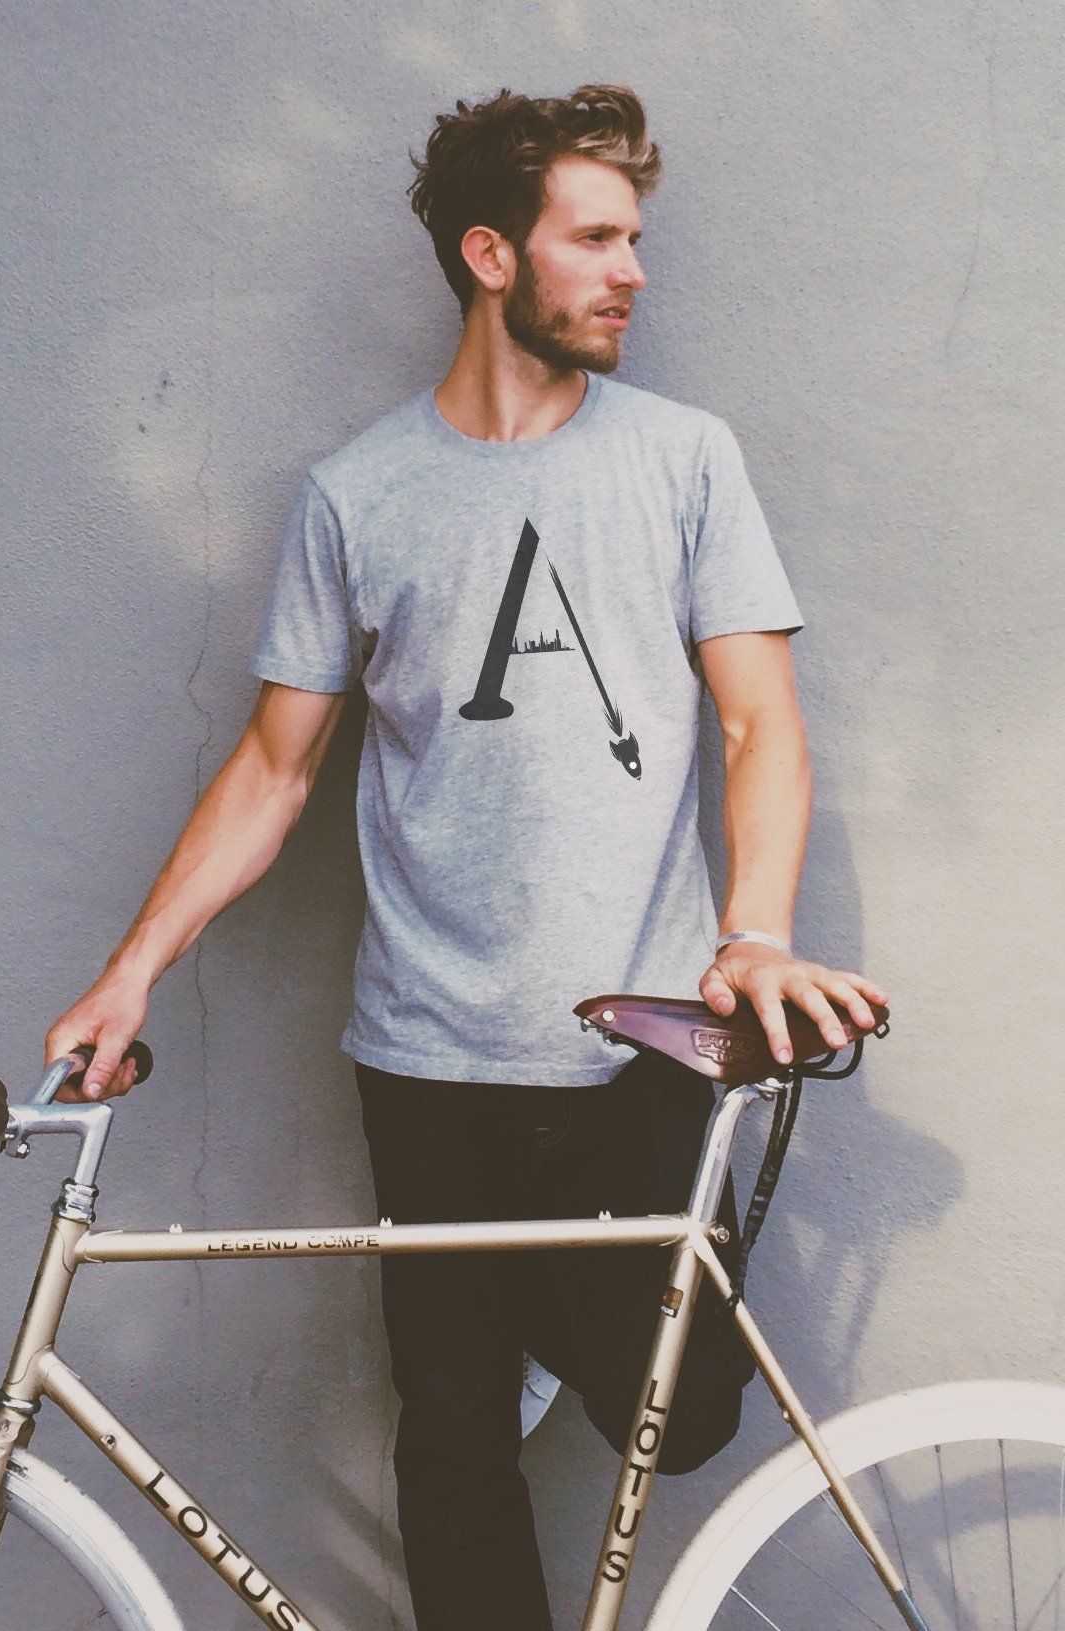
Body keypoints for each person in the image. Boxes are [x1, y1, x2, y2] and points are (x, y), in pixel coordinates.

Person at [45, 84, 888, 1631]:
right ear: (491, 255)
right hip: (426, 1054)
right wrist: (129, 975)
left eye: (636, 238)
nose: (632, 270)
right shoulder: (357, 495)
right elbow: (271, 767)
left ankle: (531, 1310)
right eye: (597, 239)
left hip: (642, 1040)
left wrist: (752, 932)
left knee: (682, 1411)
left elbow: (760, 727)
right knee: (448, 1446)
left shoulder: (685, 458)